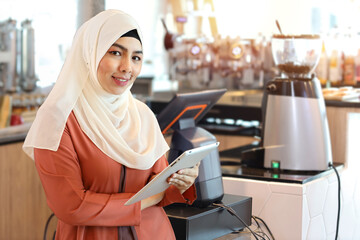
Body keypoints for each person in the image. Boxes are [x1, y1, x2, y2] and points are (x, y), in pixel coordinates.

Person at [23, 9, 199, 240]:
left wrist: (180, 183)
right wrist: (147, 199)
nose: (127, 67)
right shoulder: (58, 120)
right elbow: (72, 206)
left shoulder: (142, 115)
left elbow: (160, 189)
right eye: (116, 53)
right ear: (90, 54)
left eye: (136, 57)